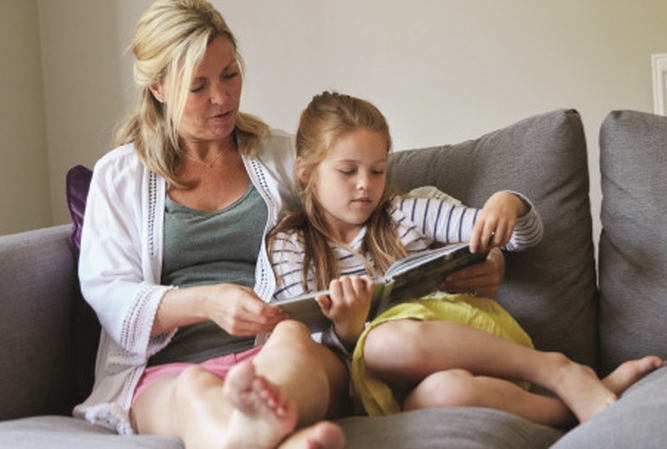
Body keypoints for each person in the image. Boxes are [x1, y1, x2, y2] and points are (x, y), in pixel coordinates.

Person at [73, 2, 506, 449]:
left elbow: (373, 213)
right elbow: (109, 294)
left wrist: (479, 256)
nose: (222, 97)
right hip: (170, 369)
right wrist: (207, 301)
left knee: (292, 338)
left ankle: (257, 428)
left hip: (277, 355)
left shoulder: (278, 157)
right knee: (192, 389)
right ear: (159, 89)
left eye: (230, 74)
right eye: (198, 86)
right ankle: (263, 438)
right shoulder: (120, 176)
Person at [267, 91, 663, 428]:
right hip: (378, 391)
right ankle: (577, 404)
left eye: (377, 171)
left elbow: (520, 238)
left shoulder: (408, 211)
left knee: (383, 343)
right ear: (305, 172)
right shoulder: (289, 246)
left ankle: (555, 369)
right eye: (347, 171)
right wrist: (347, 331)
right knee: (443, 392)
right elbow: (304, 349)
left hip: (456, 341)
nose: (365, 185)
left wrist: (509, 204)